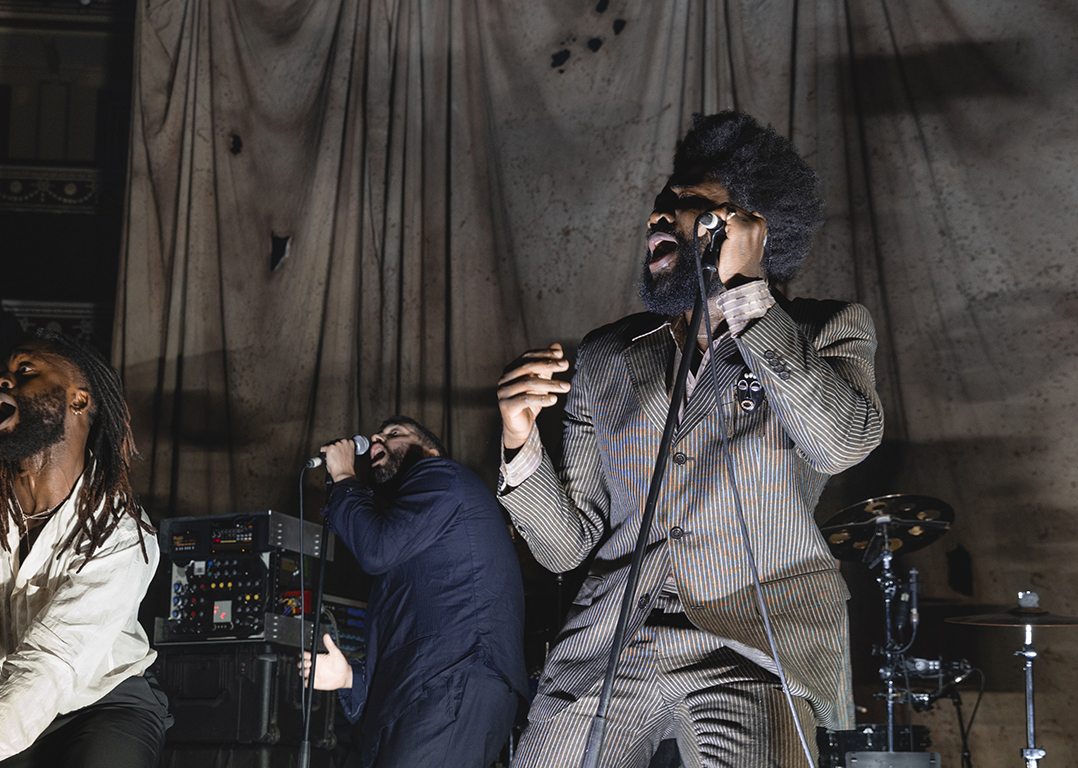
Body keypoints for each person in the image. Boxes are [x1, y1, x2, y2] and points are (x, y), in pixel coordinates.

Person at [495, 111, 884, 767]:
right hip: (613, 643)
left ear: (747, 226)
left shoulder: (824, 330)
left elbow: (841, 443)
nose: (656, 217)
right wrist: (518, 439)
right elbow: (568, 546)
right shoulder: (608, 355)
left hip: (754, 646)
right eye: (657, 206)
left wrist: (749, 296)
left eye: (685, 204)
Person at [0, 328, 171, 768]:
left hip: (105, 699)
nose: (3, 381)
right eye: (1, 373)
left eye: (25, 370)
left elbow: (54, 658)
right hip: (11, 693)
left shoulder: (120, 533)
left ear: (78, 400)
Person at [301, 417, 529, 768]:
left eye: (393, 434)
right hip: (427, 691)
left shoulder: (441, 477)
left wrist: (345, 476)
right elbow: (406, 633)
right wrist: (350, 678)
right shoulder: (411, 530)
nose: (376, 437)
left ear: (431, 451)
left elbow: (375, 550)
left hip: (453, 682)